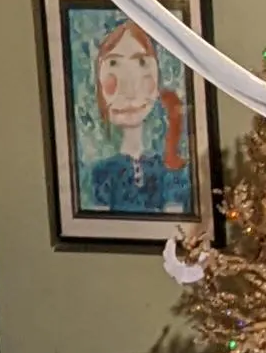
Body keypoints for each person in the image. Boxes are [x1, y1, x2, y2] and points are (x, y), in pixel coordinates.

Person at [78, 18, 192, 218]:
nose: (129, 89)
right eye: (113, 63)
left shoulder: (173, 174)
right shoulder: (99, 174)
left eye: (142, 62)